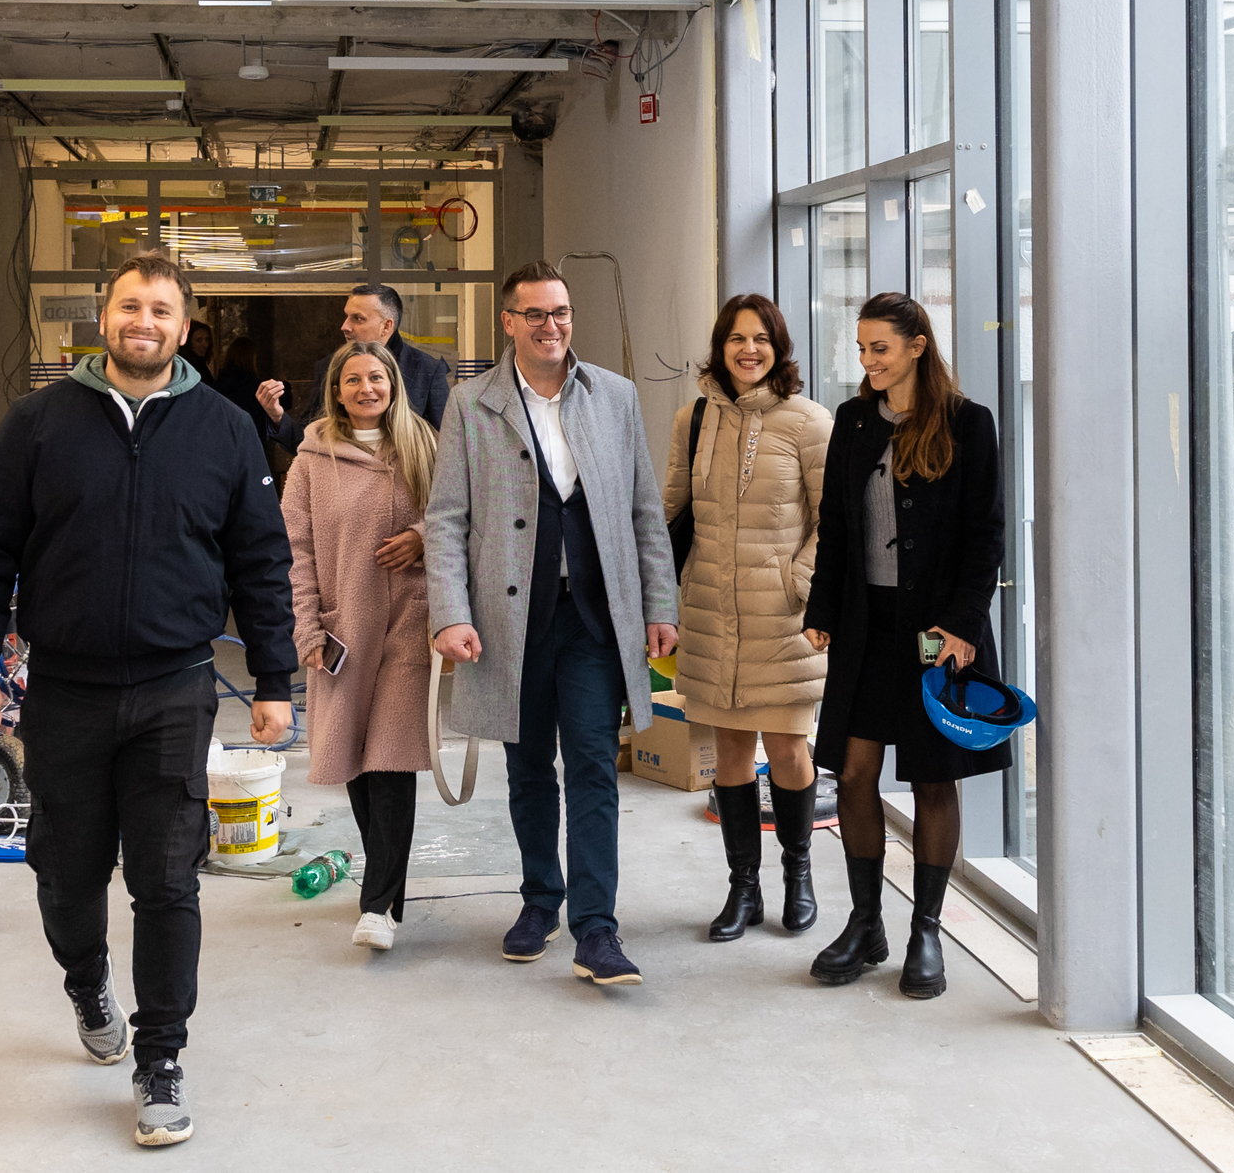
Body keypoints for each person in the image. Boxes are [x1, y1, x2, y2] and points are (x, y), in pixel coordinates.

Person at [0, 251, 295, 1151]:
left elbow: (262, 561)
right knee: (63, 869)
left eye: (162, 309)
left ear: (186, 326)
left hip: (177, 687)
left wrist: (274, 678)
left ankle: (161, 1056)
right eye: (130, 305)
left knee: (168, 877)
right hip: (64, 687)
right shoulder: (38, 424)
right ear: (104, 318)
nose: (145, 321)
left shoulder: (224, 430)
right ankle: (86, 980)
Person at [422, 260, 677, 989]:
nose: (550, 325)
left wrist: (661, 603)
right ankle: (540, 900)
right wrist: (450, 613)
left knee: (593, 765)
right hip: (510, 619)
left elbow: (642, 510)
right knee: (529, 767)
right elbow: (445, 521)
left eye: (560, 311)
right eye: (534, 313)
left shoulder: (614, 396)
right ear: (508, 322)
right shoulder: (472, 404)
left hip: (594, 615)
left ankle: (597, 928)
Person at [801, 291, 1005, 1001]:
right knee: (854, 773)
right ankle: (866, 922)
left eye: (879, 347)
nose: (867, 360)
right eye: (861, 348)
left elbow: (987, 536)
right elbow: (834, 520)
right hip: (865, 626)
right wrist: (822, 608)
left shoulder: (967, 423)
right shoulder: (854, 420)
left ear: (918, 344)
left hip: (938, 633)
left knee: (930, 778)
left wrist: (963, 627)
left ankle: (926, 929)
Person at [662, 295, 834, 942]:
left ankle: (799, 873)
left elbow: (831, 522)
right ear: (720, 345)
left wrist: (800, 582)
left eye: (760, 337)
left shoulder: (808, 421)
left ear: (778, 345)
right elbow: (672, 508)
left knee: (788, 747)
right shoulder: (693, 418)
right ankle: (743, 886)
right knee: (730, 748)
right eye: (736, 338)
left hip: (782, 617)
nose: (748, 349)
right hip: (712, 610)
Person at [281, 341, 437, 952]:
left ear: (393, 383)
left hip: (408, 624)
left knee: (391, 760)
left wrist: (422, 537)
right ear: (337, 390)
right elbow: (295, 551)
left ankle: (376, 906)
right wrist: (307, 626)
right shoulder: (311, 460)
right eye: (354, 380)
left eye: (377, 377)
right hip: (343, 627)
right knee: (354, 760)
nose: (367, 388)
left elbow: (458, 515)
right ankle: (387, 893)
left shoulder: (423, 445)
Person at [258, 284, 451, 449]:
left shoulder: (427, 369)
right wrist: (277, 416)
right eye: (346, 317)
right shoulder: (329, 367)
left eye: (357, 318)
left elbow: (446, 447)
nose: (345, 326)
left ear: (386, 326)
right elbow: (305, 442)